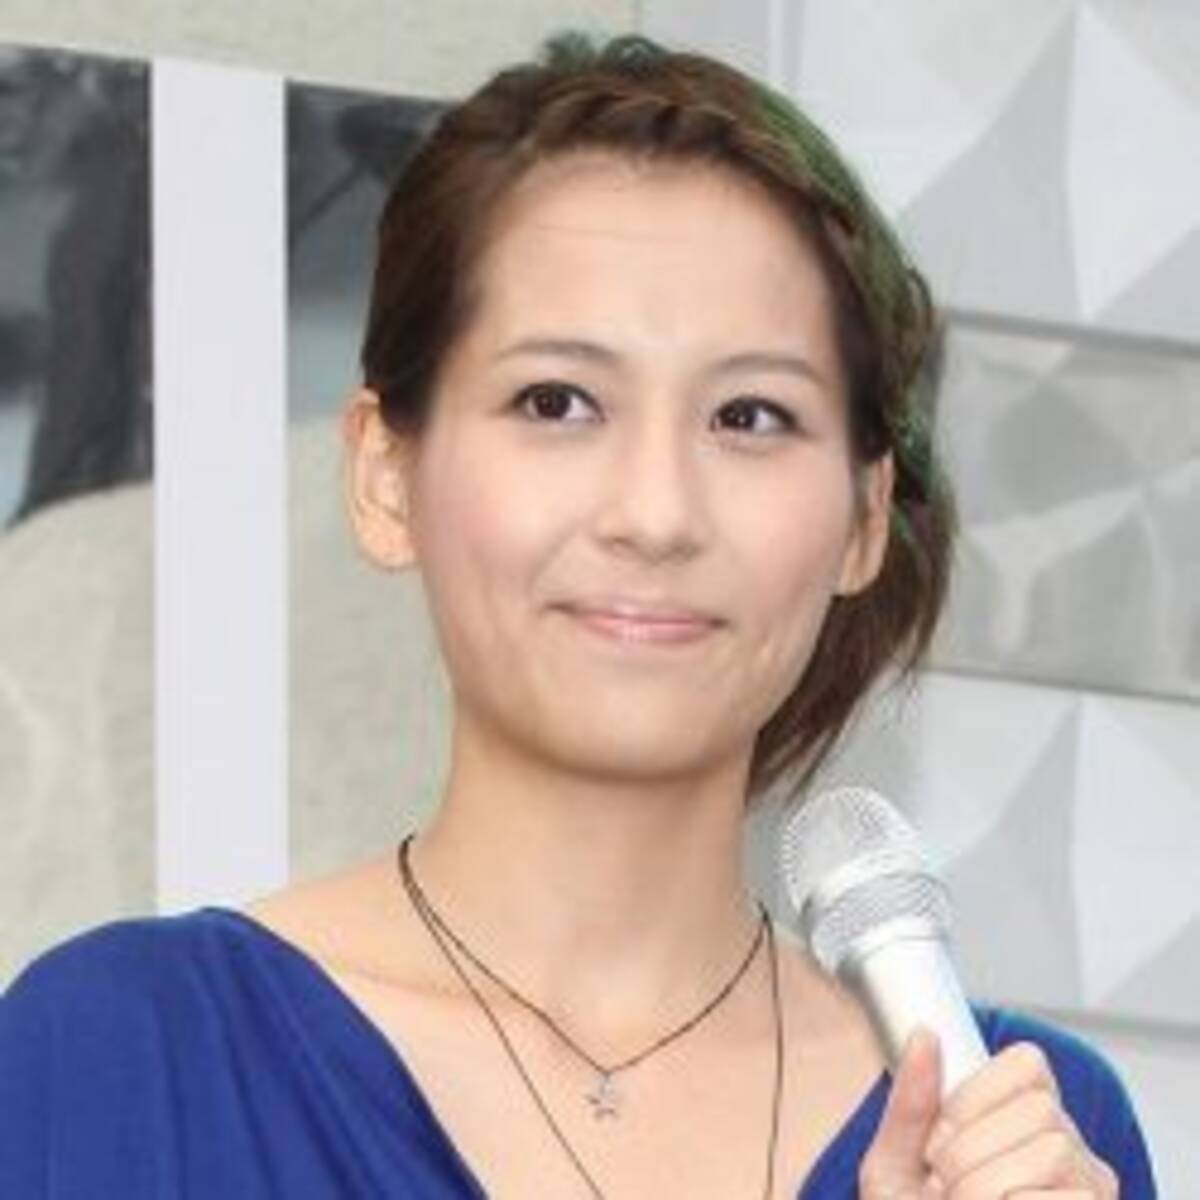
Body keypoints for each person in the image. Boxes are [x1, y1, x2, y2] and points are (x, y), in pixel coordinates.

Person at [0, 32, 1156, 1199]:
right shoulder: (121, 1054)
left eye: (750, 417)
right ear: (386, 476)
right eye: (556, 402)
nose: (656, 513)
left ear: (863, 517)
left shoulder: (1021, 1123)